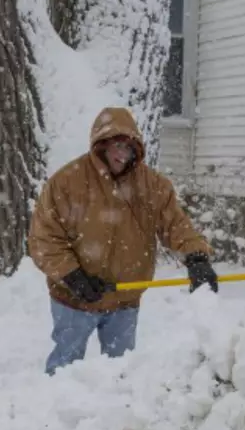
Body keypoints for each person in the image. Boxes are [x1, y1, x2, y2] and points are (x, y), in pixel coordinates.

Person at [28, 107, 218, 376]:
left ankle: (115, 416)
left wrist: (197, 258)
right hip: (73, 300)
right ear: (101, 146)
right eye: (116, 146)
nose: (122, 154)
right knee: (64, 369)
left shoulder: (153, 186)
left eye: (128, 148)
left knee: (121, 374)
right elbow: (44, 238)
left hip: (124, 300)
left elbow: (175, 225)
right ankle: (55, 413)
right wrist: (73, 277)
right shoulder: (67, 182)